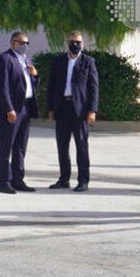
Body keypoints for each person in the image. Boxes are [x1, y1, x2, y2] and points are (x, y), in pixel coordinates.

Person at [46, 31, 99, 192]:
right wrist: (50, 108)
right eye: (72, 42)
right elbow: (51, 86)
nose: (75, 45)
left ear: (82, 44)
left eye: (78, 42)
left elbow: (94, 88)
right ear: (67, 43)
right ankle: (64, 179)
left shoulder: (88, 62)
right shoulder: (58, 61)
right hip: (62, 107)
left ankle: (83, 180)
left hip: (80, 110)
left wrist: (92, 110)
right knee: (62, 146)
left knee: (81, 146)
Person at [0, 31, 39, 194]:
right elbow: (2, 87)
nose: (24, 46)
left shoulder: (26, 60)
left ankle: (17, 179)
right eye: (21, 43)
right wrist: (9, 108)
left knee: (20, 146)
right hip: (12, 109)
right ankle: (4, 181)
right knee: (6, 146)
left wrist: (35, 75)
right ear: (12, 43)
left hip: (26, 107)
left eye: (26, 43)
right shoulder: (4, 59)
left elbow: (30, 84)